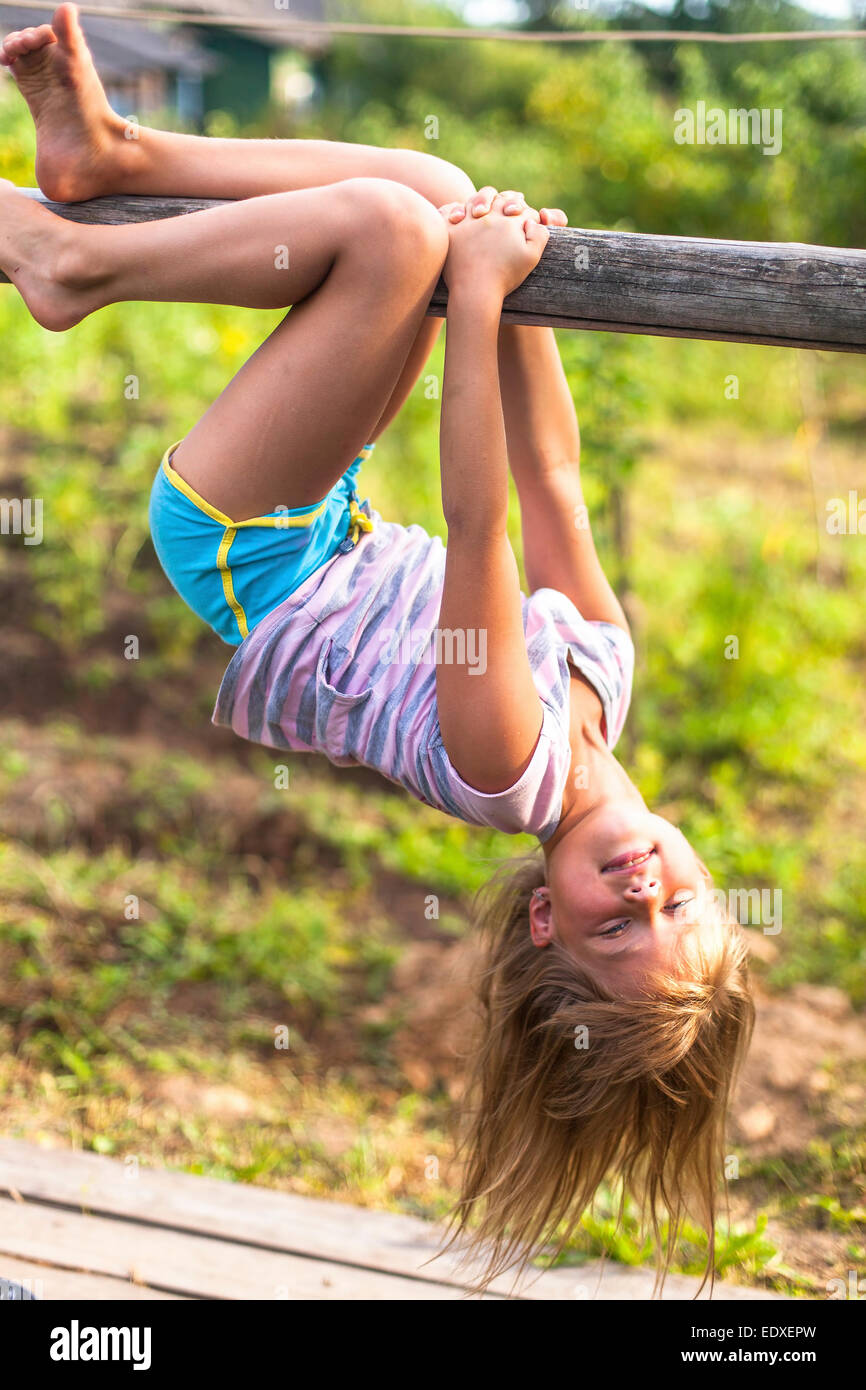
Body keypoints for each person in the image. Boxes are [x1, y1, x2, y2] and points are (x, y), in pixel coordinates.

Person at [1, 6, 754, 1292]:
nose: (642, 891)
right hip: (325, 515)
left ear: (541, 920)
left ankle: (72, 263)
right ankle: (114, 158)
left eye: (615, 931)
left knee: (400, 232)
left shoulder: (502, 759)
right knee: (436, 188)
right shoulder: (601, 685)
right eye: (678, 904)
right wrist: (522, 299)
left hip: (254, 548)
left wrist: (472, 295)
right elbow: (554, 479)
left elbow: (483, 521)